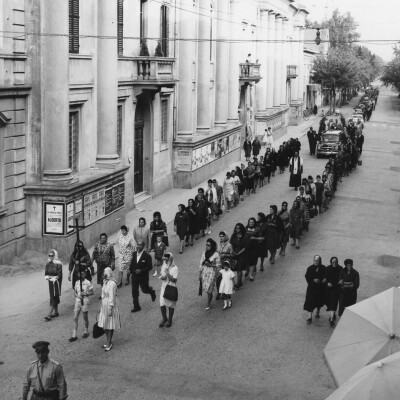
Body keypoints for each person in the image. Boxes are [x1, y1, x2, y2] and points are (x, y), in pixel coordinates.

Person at [98, 267, 121, 351]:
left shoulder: (112, 283)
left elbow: (112, 296)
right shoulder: (105, 282)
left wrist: (110, 308)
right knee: (104, 324)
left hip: (110, 304)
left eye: (105, 273)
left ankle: (109, 342)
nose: (103, 274)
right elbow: (103, 294)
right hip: (104, 303)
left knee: (110, 324)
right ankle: (108, 340)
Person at [130, 240, 156, 312]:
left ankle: (151, 292)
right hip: (135, 277)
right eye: (137, 245)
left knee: (145, 290)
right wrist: (130, 270)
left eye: (140, 245)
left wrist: (141, 270)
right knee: (134, 292)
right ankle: (136, 306)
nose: (138, 246)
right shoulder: (134, 254)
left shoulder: (147, 256)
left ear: (143, 246)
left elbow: (150, 266)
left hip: (143, 277)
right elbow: (132, 264)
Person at [68, 268, 94, 342]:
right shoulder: (76, 282)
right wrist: (77, 295)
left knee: (85, 316)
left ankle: (86, 331)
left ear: (85, 274)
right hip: (78, 301)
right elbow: (75, 292)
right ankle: (74, 334)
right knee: (75, 317)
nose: (81, 275)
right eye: (79, 274)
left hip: (84, 300)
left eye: (82, 274)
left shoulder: (88, 282)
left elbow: (92, 292)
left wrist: (85, 293)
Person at [199, 238, 221, 310]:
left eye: (209, 245)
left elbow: (218, 265)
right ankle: (210, 296)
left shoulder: (216, 254)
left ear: (212, 246)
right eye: (206, 245)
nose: (207, 246)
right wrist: (200, 274)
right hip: (205, 272)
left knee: (209, 287)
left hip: (212, 272)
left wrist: (211, 265)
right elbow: (201, 264)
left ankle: (208, 302)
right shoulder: (204, 253)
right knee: (206, 287)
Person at [304, 255, 326, 323]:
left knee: (319, 301)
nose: (316, 262)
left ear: (320, 261)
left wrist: (323, 280)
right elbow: (307, 276)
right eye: (315, 260)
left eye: (317, 261)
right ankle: (310, 316)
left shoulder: (323, 268)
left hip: (320, 288)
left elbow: (325, 276)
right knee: (310, 302)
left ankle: (317, 312)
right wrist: (313, 280)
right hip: (312, 288)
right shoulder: (310, 268)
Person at [158, 252, 178, 328]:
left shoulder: (175, 268)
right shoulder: (164, 265)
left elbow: (174, 280)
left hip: (171, 287)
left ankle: (170, 320)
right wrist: (163, 277)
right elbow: (163, 275)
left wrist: (167, 274)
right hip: (163, 286)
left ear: (171, 259)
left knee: (170, 305)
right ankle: (164, 318)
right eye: (165, 260)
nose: (165, 261)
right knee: (162, 303)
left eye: (167, 260)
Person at [44, 250, 63, 321]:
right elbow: (46, 272)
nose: (50, 257)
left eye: (52, 255)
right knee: (53, 295)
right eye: (49, 255)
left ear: (55, 256)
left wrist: (56, 278)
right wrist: (47, 277)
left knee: (54, 296)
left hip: (56, 282)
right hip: (50, 282)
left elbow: (59, 274)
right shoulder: (48, 264)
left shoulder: (59, 264)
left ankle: (49, 314)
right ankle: (56, 312)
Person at [230, 223, 249, 290]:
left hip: (242, 254)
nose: (237, 229)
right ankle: (240, 281)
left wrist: (238, 253)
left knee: (239, 269)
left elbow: (245, 247)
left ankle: (238, 283)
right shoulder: (234, 236)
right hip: (234, 254)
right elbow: (231, 244)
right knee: (234, 268)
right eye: (236, 228)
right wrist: (232, 252)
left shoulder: (244, 236)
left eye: (238, 228)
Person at [325, 257, 343, 326]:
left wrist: (341, 281)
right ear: (331, 262)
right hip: (330, 289)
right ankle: (333, 315)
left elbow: (342, 277)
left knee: (334, 303)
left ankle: (332, 319)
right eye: (333, 262)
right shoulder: (328, 268)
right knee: (331, 303)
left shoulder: (340, 268)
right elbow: (326, 277)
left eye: (336, 262)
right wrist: (327, 283)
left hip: (337, 288)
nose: (334, 263)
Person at [217, 231, 234, 299]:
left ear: (225, 237)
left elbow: (232, 254)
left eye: (222, 236)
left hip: (226, 262)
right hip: (219, 262)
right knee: (218, 278)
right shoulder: (218, 245)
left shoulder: (229, 245)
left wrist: (225, 255)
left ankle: (224, 293)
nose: (221, 238)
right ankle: (219, 292)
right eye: (220, 236)